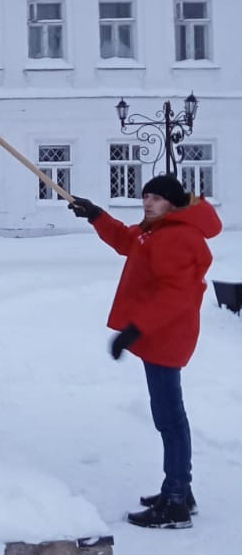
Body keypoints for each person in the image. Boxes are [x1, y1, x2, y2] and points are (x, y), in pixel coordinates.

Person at [69, 174, 222, 530]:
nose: (148, 203)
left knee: (169, 418)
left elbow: (177, 294)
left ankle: (175, 503)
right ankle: (180, 490)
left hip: (165, 336)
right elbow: (128, 241)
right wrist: (96, 215)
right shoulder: (158, 229)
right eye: (146, 196)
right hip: (160, 334)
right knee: (168, 416)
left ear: (173, 202)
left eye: (156, 198)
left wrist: (137, 328)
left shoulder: (177, 236)